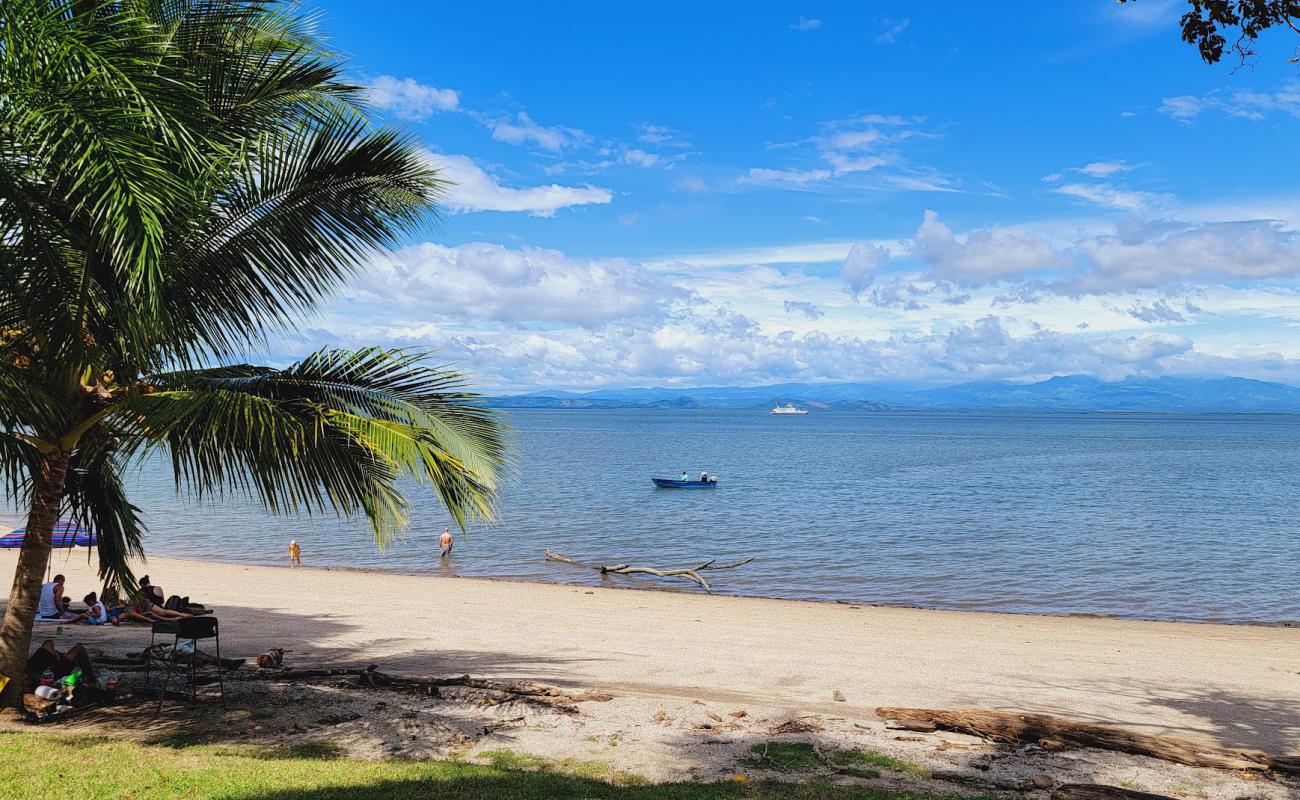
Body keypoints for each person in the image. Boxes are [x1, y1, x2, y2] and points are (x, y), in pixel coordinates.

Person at [25, 638, 96, 692]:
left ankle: (57, 656)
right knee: (79, 648)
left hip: (37, 668)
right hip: (46, 673)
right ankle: (91, 680)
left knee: (48, 643)